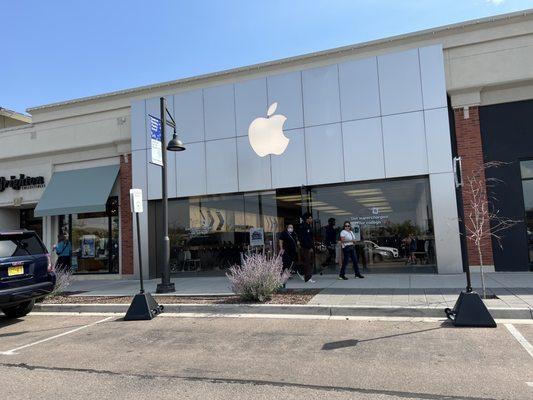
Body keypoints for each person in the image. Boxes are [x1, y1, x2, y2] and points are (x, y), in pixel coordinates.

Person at [298, 213, 315, 283]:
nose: (311, 219)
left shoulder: (308, 226)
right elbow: (305, 239)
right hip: (306, 247)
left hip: (309, 247)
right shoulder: (304, 226)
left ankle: (305, 274)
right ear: (307, 219)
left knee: (309, 262)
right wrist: (309, 247)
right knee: (307, 262)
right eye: (310, 218)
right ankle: (307, 278)